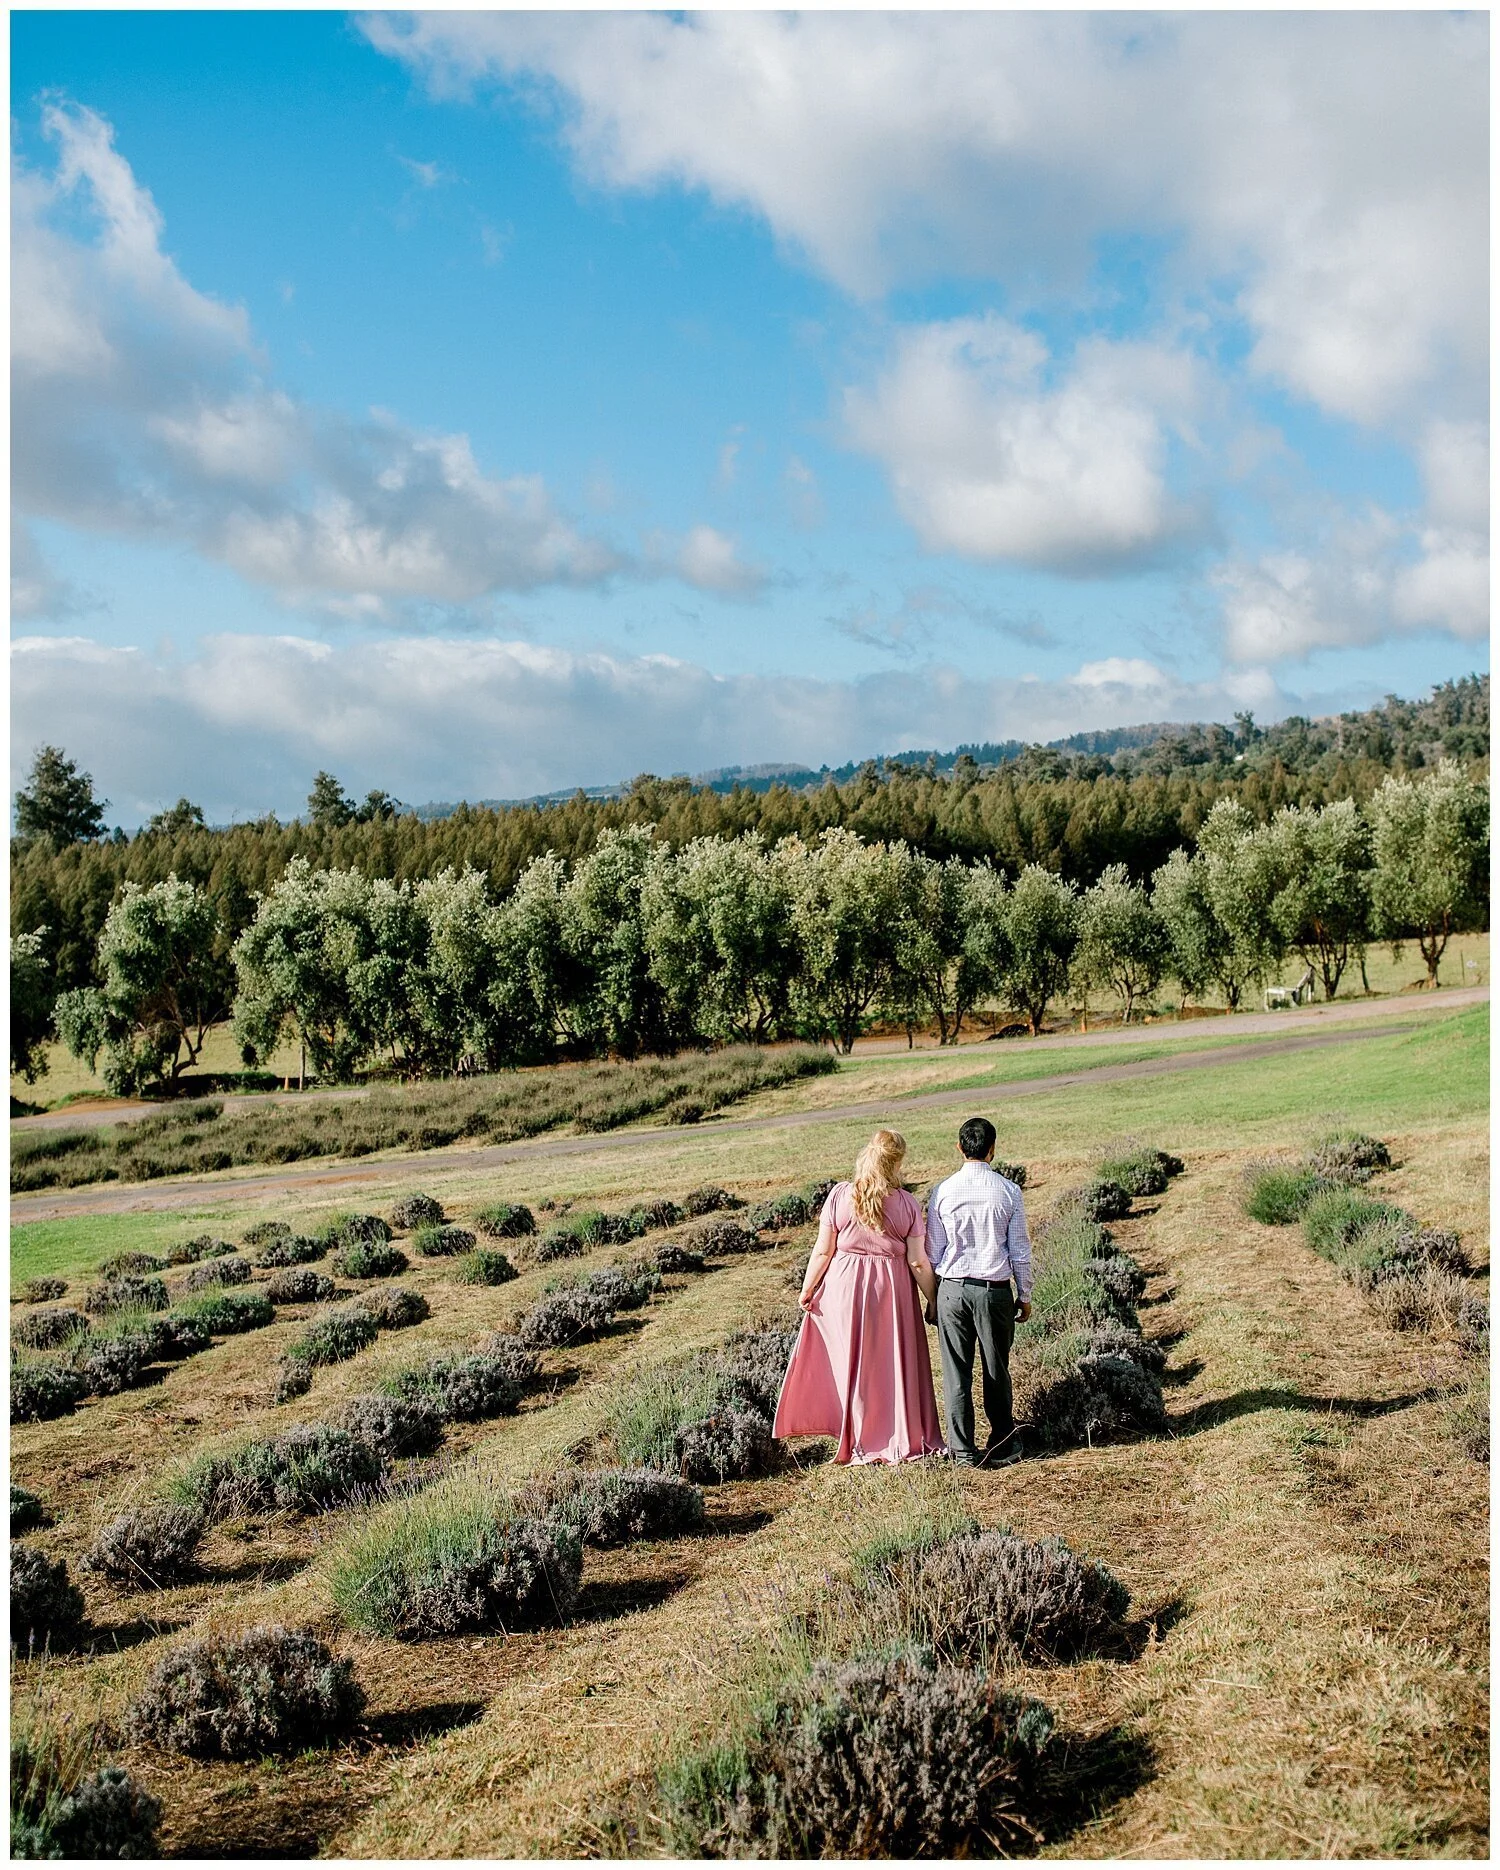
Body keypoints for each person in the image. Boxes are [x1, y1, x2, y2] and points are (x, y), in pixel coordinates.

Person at [773, 1128, 946, 1465]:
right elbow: (916, 1260)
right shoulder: (907, 1203)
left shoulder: (840, 1195)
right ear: (897, 1162)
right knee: (889, 1362)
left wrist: (807, 1289)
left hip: (844, 1286)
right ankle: (892, 1431)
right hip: (891, 1290)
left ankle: (853, 1431)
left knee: (849, 1360)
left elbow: (823, 1252)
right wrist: (934, 1298)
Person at [927, 1116, 1033, 1468]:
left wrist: (932, 1299)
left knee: (956, 1372)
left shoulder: (942, 1191)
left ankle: (962, 1451)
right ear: (993, 1149)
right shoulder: (1008, 1191)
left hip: (952, 1290)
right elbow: (1019, 1248)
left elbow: (933, 1252)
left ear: (959, 1148)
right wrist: (1025, 1294)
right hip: (994, 1291)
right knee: (996, 1369)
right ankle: (1003, 1442)